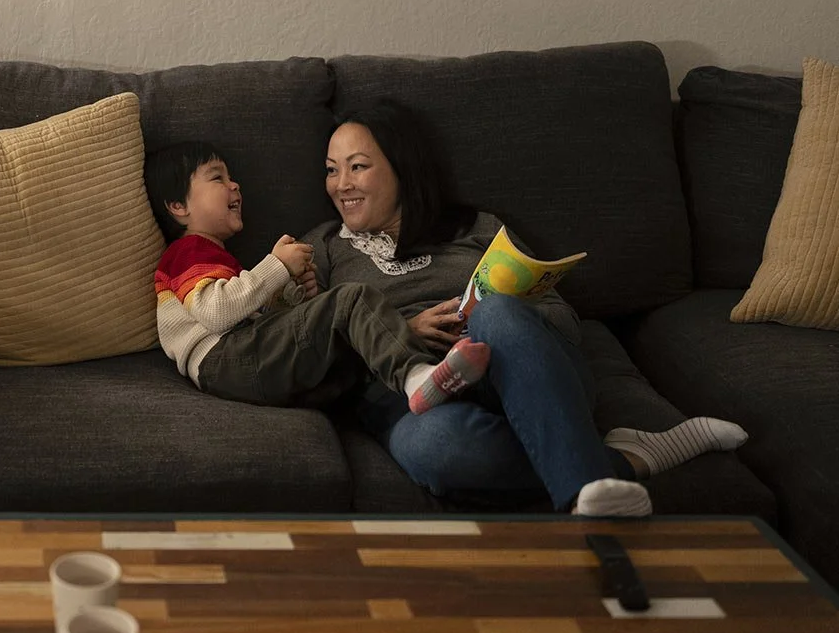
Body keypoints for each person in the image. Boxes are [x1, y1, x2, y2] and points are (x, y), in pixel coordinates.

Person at [303, 99, 748, 517]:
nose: (341, 185)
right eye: (331, 170)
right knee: (436, 447)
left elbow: (564, 321)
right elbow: (309, 350)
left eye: (357, 167)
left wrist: (491, 319)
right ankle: (626, 460)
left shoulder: (476, 228)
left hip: (525, 374)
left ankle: (582, 487)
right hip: (414, 400)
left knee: (497, 312)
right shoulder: (321, 248)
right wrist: (401, 333)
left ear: (402, 167)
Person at [145, 141, 491, 412]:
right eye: (217, 177)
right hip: (224, 361)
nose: (234, 184)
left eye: (230, 176)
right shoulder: (188, 251)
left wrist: (291, 297)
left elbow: (247, 315)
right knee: (351, 299)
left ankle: (437, 382)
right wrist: (276, 266)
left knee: (342, 358)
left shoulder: (214, 256)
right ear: (179, 206)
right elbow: (216, 313)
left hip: (241, 363)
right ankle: (415, 376)